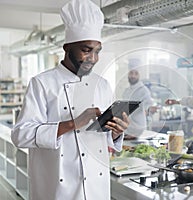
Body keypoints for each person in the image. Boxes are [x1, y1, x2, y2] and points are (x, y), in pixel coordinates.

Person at [11, 0, 129, 199]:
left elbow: (104, 138)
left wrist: (116, 132)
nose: (93, 58)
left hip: (95, 188)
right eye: (86, 50)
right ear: (67, 47)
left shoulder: (102, 85)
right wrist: (73, 123)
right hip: (57, 189)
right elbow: (20, 135)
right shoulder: (42, 83)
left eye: (97, 51)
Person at [122, 62, 154, 139]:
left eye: (136, 73)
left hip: (138, 129)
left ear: (139, 75)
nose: (133, 76)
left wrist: (148, 109)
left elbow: (149, 106)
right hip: (127, 128)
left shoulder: (143, 90)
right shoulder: (126, 91)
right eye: (131, 73)